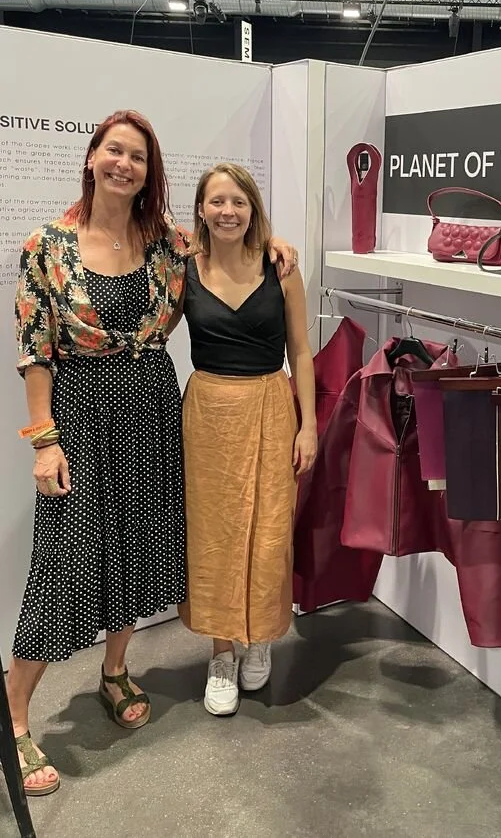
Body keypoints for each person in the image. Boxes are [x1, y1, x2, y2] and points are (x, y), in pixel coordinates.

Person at [8, 111, 298, 796]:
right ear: (92, 158)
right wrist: (43, 438)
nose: (125, 164)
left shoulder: (167, 243)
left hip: (152, 409)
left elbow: (232, 236)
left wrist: (274, 242)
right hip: (78, 413)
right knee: (65, 562)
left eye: (138, 156)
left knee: (136, 547)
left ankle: (114, 671)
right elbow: (34, 350)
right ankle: (14, 715)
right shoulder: (47, 245)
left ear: (149, 172)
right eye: (115, 150)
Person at [178, 162, 317, 716]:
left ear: (253, 207)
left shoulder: (279, 267)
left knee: (268, 526)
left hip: (269, 404)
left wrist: (310, 424)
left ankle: (258, 637)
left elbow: (302, 352)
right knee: (212, 533)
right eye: (217, 202)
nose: (227, 211)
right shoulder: (183, 267)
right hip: (208, 411)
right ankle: (220, 652)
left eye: (238, 201)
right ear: (202, 210)